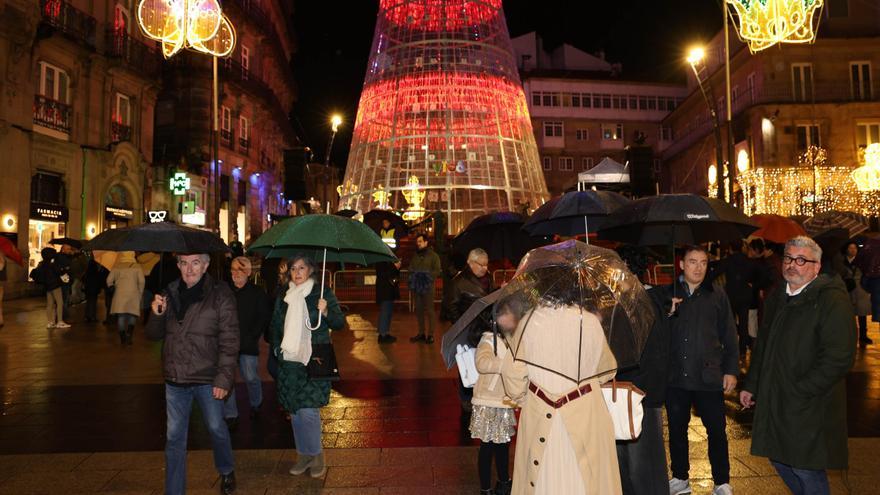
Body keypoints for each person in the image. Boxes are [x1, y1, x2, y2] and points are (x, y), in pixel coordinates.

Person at [740, 236, 855, 494]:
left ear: (816, 266)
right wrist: (752, 384)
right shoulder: (777, 296)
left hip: (810, 402)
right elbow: (763, 346)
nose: (793, 264)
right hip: (776, 396)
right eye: (789, 258)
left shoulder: (830, 300)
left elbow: (839, 356)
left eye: (801, 260)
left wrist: (802, 389)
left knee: (805, 465)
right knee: (778, 456)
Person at [499, 295, 622, 494]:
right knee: (588, 478)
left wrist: (526, 399)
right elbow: (608, 370)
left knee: (542, 477)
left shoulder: (529, 322)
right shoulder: (589, 321)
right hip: (586, 414)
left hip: (541, 410)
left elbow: (512, 376)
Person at [145, 253, 239, 495]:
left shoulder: (220, 294)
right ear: (177, 266)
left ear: (206, 265)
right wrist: (156, 313)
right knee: (174, 439)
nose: (189, 269)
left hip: (208, 378)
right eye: (184, 263)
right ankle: (174, 491)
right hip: (175, 379)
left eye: (195, 262)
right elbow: (154, 335)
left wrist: (223, 379)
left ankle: (227, 469)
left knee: (216, 428)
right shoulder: (169, 292)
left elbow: (230, 341)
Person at [660, 245, 738, 495]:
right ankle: (680, 477)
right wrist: (667, 314)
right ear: (681, 265)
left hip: (709, 375)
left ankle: (722, 481)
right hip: (677, 375)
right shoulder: (667, 294)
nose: (698, 268)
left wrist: (731, 370)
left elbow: (730, 334)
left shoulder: (716, 294)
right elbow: (655, 336)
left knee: (716, 430)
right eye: (692, 262)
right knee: (677, 430)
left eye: (703, 262)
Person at [270, 254, 345, 478]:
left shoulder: (322, 294)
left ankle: (317, 455)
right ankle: (303, 455)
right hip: (289, 360)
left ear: (311, 269)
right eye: (294, 268)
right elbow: (275, 325)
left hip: (314, 359)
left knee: (308, 410)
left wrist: (326, 312)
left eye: (302, 267)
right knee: (294, 411)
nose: (298, 272)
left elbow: (340, 324)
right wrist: (277, 349)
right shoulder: (285, 294)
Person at [615, 247, 670, 495]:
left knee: (642, 466)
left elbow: (639, 352)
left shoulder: (642, 304)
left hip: (640, 393)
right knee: (627, 463)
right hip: (629, 392)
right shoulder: (631, 302)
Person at [444, 248, 494, 411]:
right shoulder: (458, 282)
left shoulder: (488, 278)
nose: (485, 268)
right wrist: (461, 325)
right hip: (469, 330)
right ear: (470, 263)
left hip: (487, 328)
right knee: (468, 363)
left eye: (486, 265)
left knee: (485, 362)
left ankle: (483, 393)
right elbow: (450, 307)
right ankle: (466, 398)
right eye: (481, 265)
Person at [223, 256, 271, 428]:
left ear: (249, 272)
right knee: (227, 380)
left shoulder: (257, 293)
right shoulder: (224, 291)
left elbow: (263, 317)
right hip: (226, 344)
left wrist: (252, 336)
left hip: (247, 344)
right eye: (233, 269)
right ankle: (230, 414)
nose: (236, 273)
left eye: (240, 269)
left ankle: (256, 404)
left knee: (251, 377)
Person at [471, 321, 515, 495]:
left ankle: (503, 482)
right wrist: (504, 364)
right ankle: (485, 488)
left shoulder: (508, 340)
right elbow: (481, 363)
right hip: (488, 402)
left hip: (503, 401)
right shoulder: (488, 340)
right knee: (487, 447)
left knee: (503, 444)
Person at [709, 241, 763, 355]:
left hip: (731, 296)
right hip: (745, 297)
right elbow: (764, 276)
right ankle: (742, 350)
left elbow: (714, 274)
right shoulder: (749, 261)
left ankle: (731, 349)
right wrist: (754, 285)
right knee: (744, 324)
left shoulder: (728, 261)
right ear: (742, 248)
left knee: (731, 324)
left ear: (730, 248)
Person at [408, 233, 442, 344]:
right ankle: (421, 333)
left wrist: (426, 277)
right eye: (417, 242)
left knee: (430, 311)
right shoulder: (415, 256)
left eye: (420, 241)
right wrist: (414, 276)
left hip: (428, 287)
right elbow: (411, 268)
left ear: (426, 242)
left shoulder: (433, 256)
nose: (418, 244)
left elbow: (437, 270)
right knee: (419, 311)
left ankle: (430, 334)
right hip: (417, 287)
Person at [106, 251, 145, 345]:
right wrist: (140, 292)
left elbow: (108, 280)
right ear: (132, 255)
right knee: (132, 314)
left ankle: (123, 337)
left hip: (119, 294)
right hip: (133, 294)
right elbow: (142, 281)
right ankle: (129, 334)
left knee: (121, 316)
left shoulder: (117, 266)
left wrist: (111, 285)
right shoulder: (137, 267)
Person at [839, 241, 872, 345]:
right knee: (847, 314)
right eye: (850, 248)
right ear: (846, 249)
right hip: (846, 288)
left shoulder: (862, 261)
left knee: (862, 314)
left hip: (860, 289)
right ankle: (848, 336)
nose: (853, 250)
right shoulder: (841, 261)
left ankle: (863, 336)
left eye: (855, 248)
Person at [30, 247, 69, 329]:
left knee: (49, 304)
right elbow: (58, 272)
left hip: (47, 286)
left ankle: (50, 322)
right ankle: (60, 321)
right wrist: (64, 270)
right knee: (59, 303)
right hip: (55, 285)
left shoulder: (43, 263)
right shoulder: (52, 264)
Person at [374, 258, 401, 343]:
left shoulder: (388, 260)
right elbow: (383, 274)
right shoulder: (380, 261)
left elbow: (393, 274)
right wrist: (395, 267)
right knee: (385, 312)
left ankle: (386, 332)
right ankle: (382, 335)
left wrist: (397, 267)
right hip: (384, 290)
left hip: (389, 290)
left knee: (388, 312)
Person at [0, 251, 6, 328]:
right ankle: (1, 320)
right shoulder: (3, 259)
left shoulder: (1, 260)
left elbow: (0, 268)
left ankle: (1, 320)